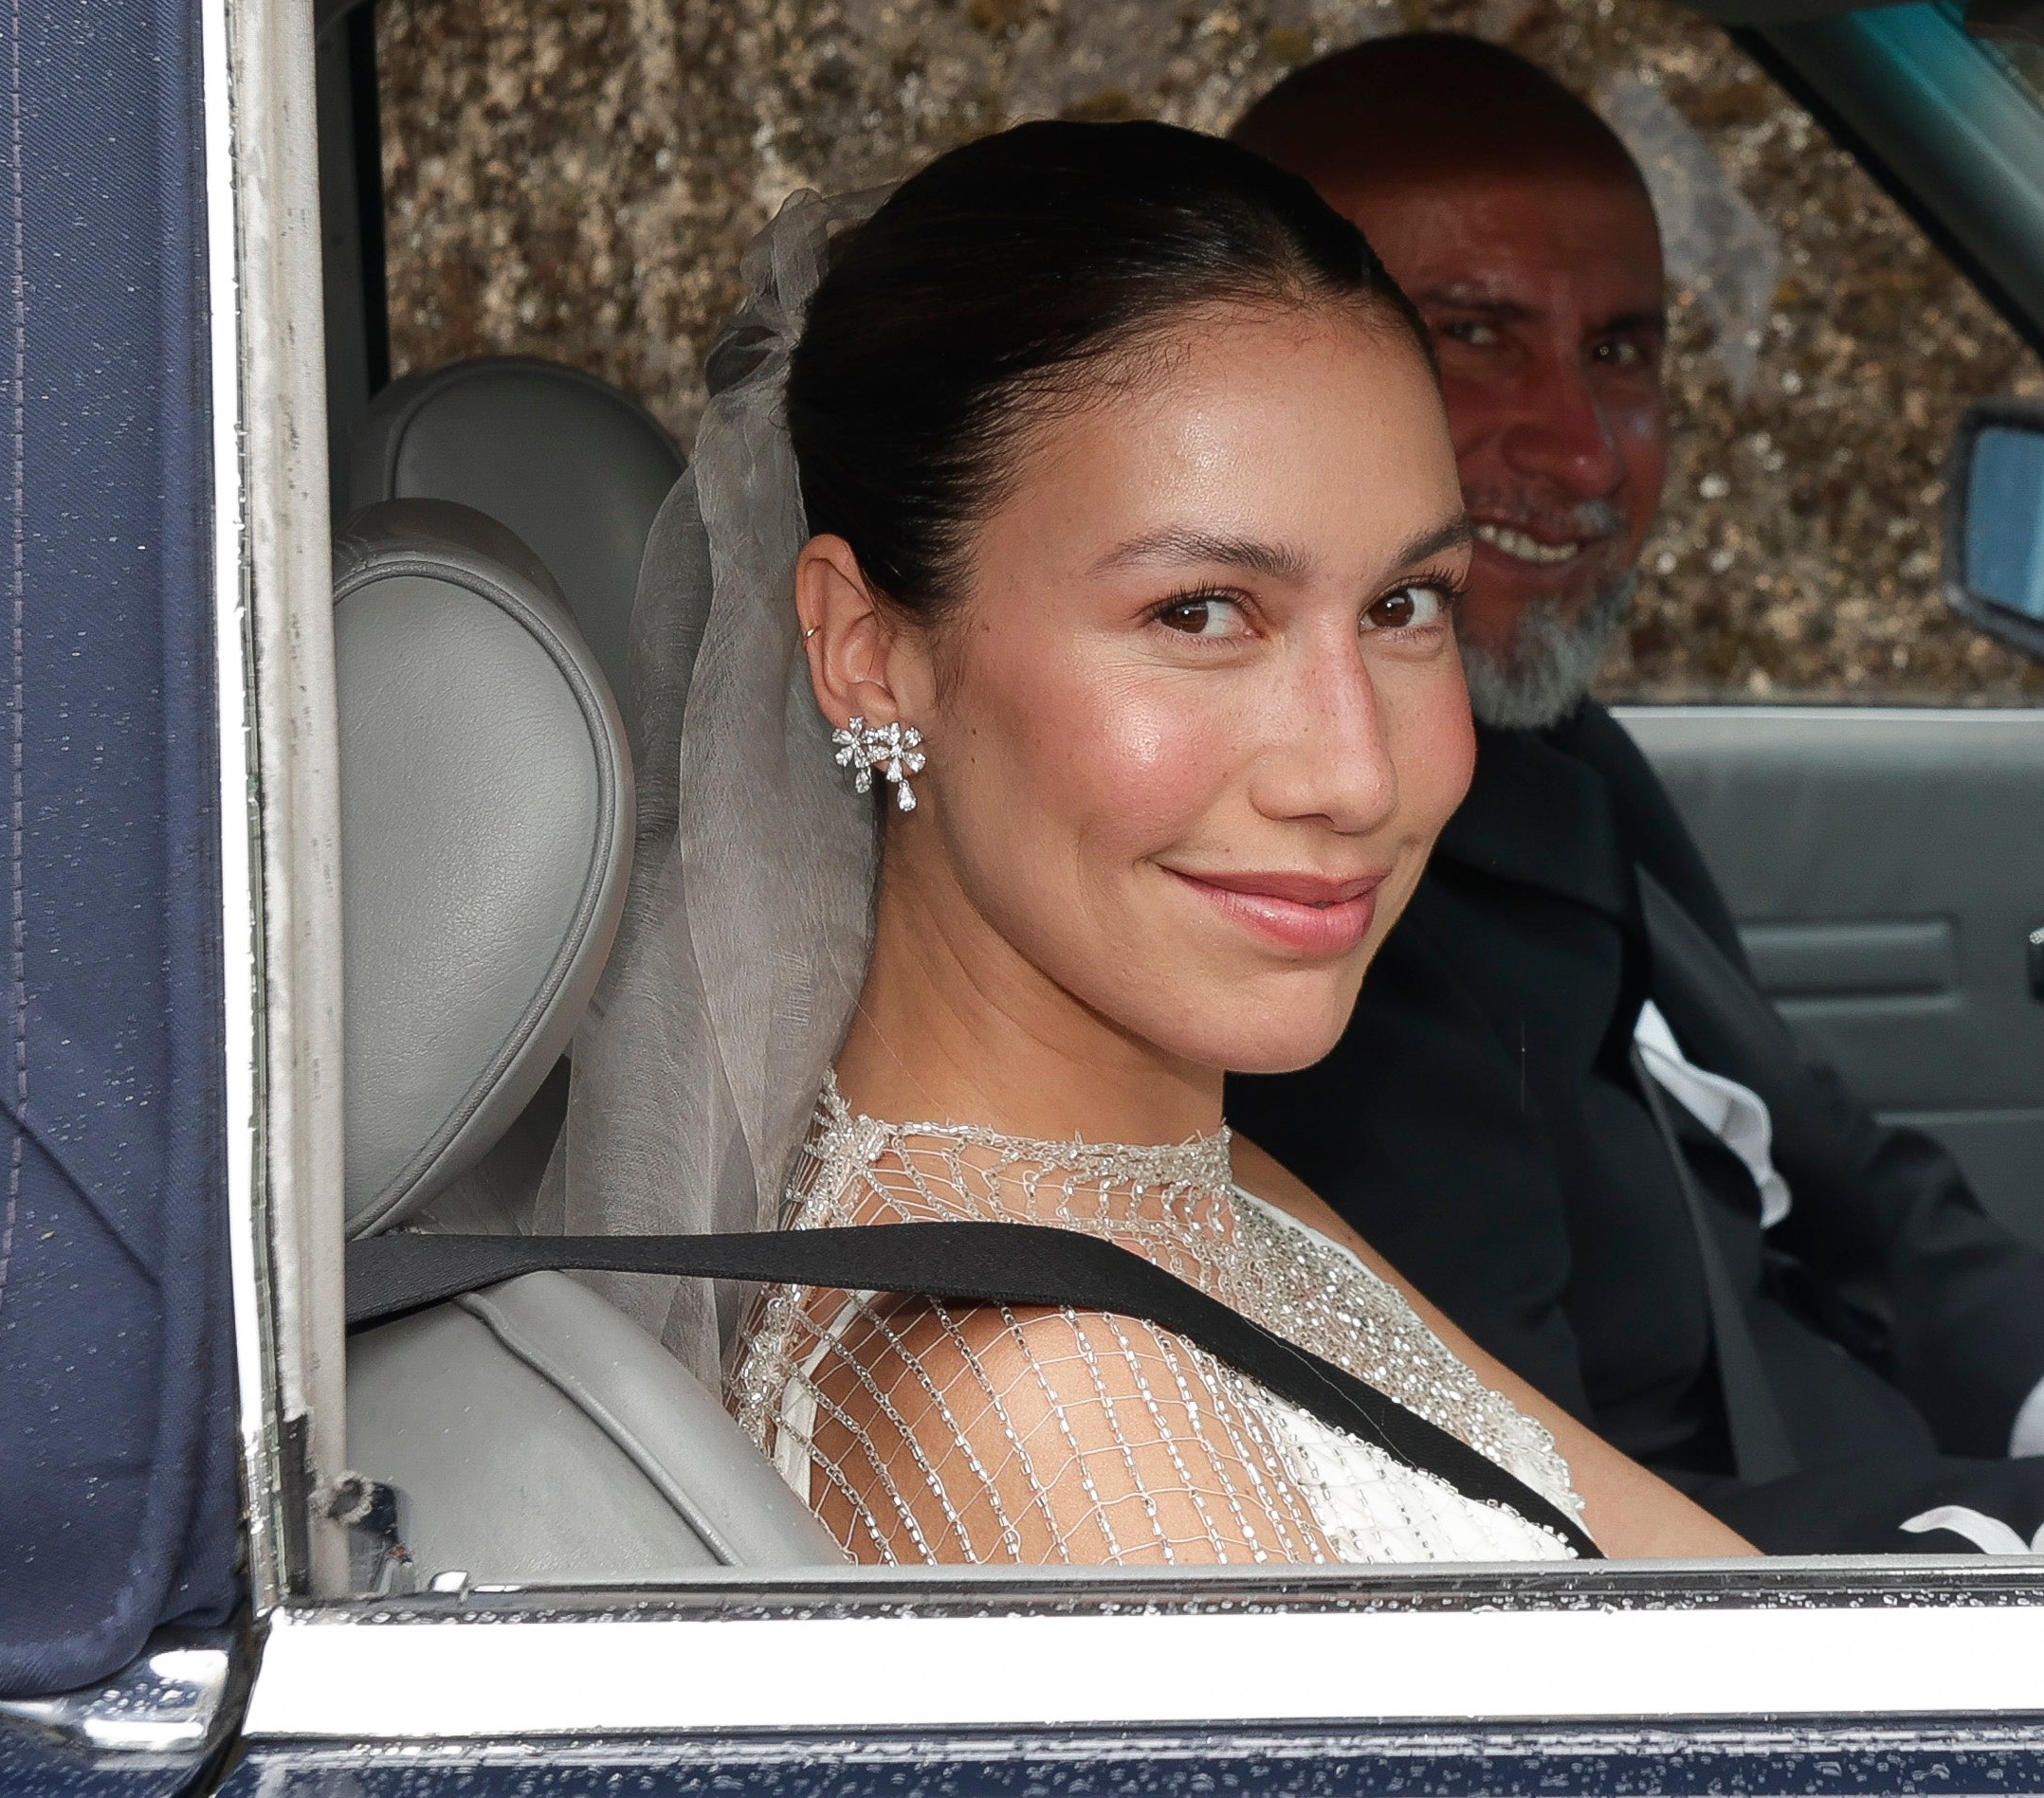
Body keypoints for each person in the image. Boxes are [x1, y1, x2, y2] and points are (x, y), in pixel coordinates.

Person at [597, 116, 1746, 1566]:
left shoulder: (1178, 1174)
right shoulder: (1042, 1397)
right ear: (871, 649)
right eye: (1200, 612)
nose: (1354, 772)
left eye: (1405, 607)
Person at [1226, 35, 2044, 1554]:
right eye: (1472, 335)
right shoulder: (1295, 939)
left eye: (1621, 352)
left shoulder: (1548, 743)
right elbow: (1527, 1550)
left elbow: (1834, 1165)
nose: (1584, 451)